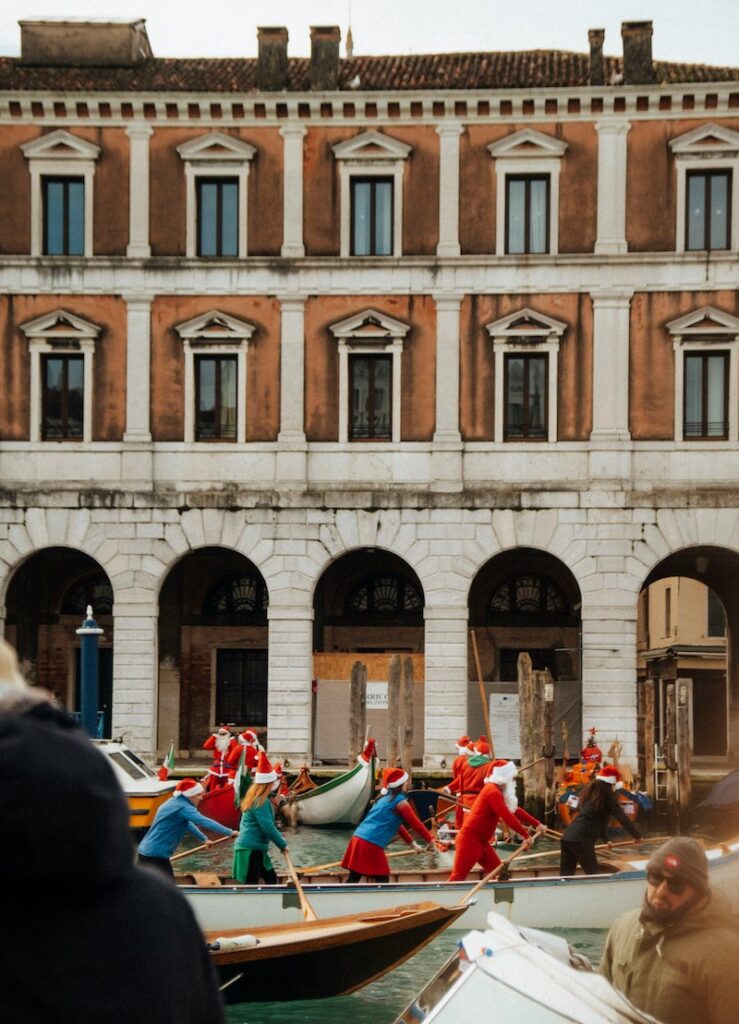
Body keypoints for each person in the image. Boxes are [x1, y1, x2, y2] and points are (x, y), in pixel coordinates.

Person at [0, 638, 226, 1024]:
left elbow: (196, 824)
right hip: (150, 865)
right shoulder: (162, 911)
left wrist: (210, 837)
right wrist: (217, 834)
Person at [601, 837, 739, 1024]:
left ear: (698, 892)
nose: (661, 891)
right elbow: (598, 1002)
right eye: (656, 877)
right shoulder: (622, 928)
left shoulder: (726, 952)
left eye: (676, 885)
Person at [448, 760, 544, 881]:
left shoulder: (498, 791)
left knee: (501, 874)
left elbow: (514, 810)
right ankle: (440, 899)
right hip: (469, 841)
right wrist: (525, 835)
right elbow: (507, 816)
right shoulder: (492, 792)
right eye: (512, 778)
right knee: (457, 877)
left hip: (482, 842)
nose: (514, 782)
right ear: (504, 778)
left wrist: (537, 824)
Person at [342, 766, 435, 882]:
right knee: (383, 881)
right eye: (406, 782)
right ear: (400, 785)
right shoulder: (401, 802)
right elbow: (416, 824)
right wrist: (431, 841)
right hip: (371, 843)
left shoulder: (383, 798)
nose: (407, 784)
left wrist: (413, 844)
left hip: (358, 838)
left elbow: (398, 826)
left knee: (354, 878)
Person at [138, 778, 237, 878]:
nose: (201, 798)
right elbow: (205, 822)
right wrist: (229, 832)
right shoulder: (184, 807)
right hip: (156, 855)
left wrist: (204, 839)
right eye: (198, 795)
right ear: (189, 795)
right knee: (167, 888)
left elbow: (187, 824)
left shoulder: (173, 802)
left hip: (145, 851)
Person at [559, 764, 641, 876]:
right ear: (611, 784)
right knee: (594, 875)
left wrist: (606, 839)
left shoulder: (590, 796)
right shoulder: (608, 797)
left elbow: (598, 820)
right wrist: (637, 836)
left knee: (565, 877)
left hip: (567, 837)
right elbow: (621, 817)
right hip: (581, 840)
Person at [233, 751, 288, 884]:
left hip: (257, 848)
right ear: (268, 784)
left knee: (271, 879)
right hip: (250, 849)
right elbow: (268, 827)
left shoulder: (258, 799)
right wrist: (282, 844)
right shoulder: (260, 802)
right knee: (252, 882)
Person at [202, 726, 238, 790]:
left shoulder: (231, 742)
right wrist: (214, 736)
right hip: (216, 769)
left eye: (223, 734)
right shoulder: (217, 743)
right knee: (212, 787)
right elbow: (206, 746)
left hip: (227, 769)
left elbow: (236, 751)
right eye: (220, 734)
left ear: (228, 735)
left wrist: (232, 740)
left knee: (227, 788)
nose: (221, 736)